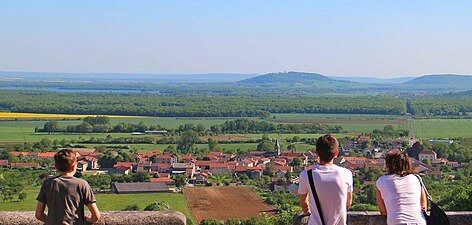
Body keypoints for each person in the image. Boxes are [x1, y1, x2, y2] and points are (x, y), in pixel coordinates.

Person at [35, 149, 101, 225]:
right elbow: (96, 215)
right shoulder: (82, 184)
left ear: (56, 166)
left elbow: (39, 215)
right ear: (73, 166)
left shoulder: (48, 184)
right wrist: (87, 221)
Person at [299, 134, 353, 225]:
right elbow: (348, 202)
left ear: (317, 152)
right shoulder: (346, 174)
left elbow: (303, 202)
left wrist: (307, 210)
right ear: (336, 153)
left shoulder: (306, 175)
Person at [376, 150, 427, 225]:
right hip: (418, 222)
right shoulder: (416, 179)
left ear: (388, 165)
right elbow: (423, 207)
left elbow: (383, 211)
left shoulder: (381, 181)